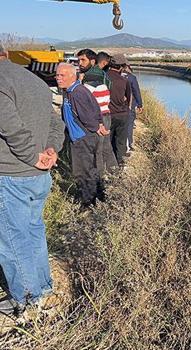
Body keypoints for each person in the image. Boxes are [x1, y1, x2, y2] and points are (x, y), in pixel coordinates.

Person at [0, 43, 65, 316]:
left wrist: (32, 156)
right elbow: (56, 123)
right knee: (34, 231)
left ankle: (26, 298)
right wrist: (51, 150)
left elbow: (9, 126)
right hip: (39, 175)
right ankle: (43, 287)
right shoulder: (35, 81)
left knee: (12, 238)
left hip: (12, 174)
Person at [55, 63, 106, 206]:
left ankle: (87, 203)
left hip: (83, 139)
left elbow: (89, 115)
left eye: (62, 75)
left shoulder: (78, 92)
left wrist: (96, 126)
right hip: (81, 137)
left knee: (83, 172)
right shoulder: (70, 91)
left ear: (72, 76)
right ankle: (99, 196)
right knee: (90, 169)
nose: (58, 78)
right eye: (57, 75)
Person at [77, 48, 117, 174]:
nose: (80, 63)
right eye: (79, 60)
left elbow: (84, 102)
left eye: (83, 60)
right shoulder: (102, 74)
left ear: (93, 61)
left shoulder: (89, 77)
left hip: (97, 117)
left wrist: (79, 82)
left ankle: (99, 179)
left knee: (97, 149)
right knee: (106, 146)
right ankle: (114, 172)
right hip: (106, 114)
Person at [106, 55, 132, 164]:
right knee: (120, 141)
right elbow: (129, 99)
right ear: (121, 67)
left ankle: (108, 165)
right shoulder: (124, 80)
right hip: (122, 115)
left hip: (107, 115)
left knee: (107, 141)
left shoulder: (104, 78)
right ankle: (119, 163)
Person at [122, 64, 143, 152]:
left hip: (117, 106)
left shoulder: (113, 76)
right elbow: (136, 91)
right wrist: (140, 104)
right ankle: (129, 144)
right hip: (130, 105)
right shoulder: (131, 78)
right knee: (129, 124)